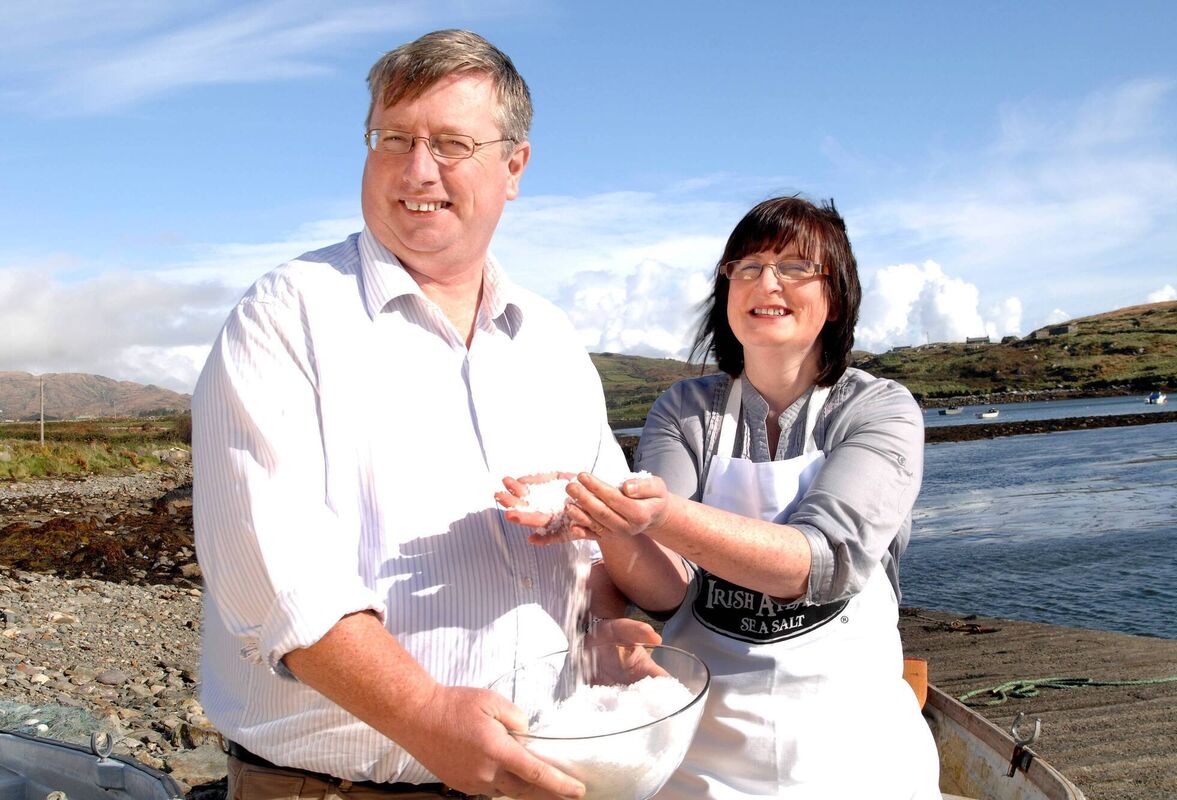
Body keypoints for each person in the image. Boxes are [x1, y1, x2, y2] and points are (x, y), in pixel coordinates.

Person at [191, 29, 647, 800]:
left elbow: (596, 540)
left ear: (514, 167)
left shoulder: (552, 341)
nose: (417, 170)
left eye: (450, 144)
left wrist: (602, 632)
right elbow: (272, 575)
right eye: (393, 138)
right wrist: (424, 713)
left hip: (541, 776)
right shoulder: (285, 317)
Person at [502, 196, 941, 798]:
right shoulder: (684, 412)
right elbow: (666, 589)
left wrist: (661, 514)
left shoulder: (879, 410)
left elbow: (823, 563)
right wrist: (608, 521)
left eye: (795, 267)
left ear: (836, 298)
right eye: (747, 266)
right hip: (702, 755)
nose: (767, 282)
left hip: (856, 754)